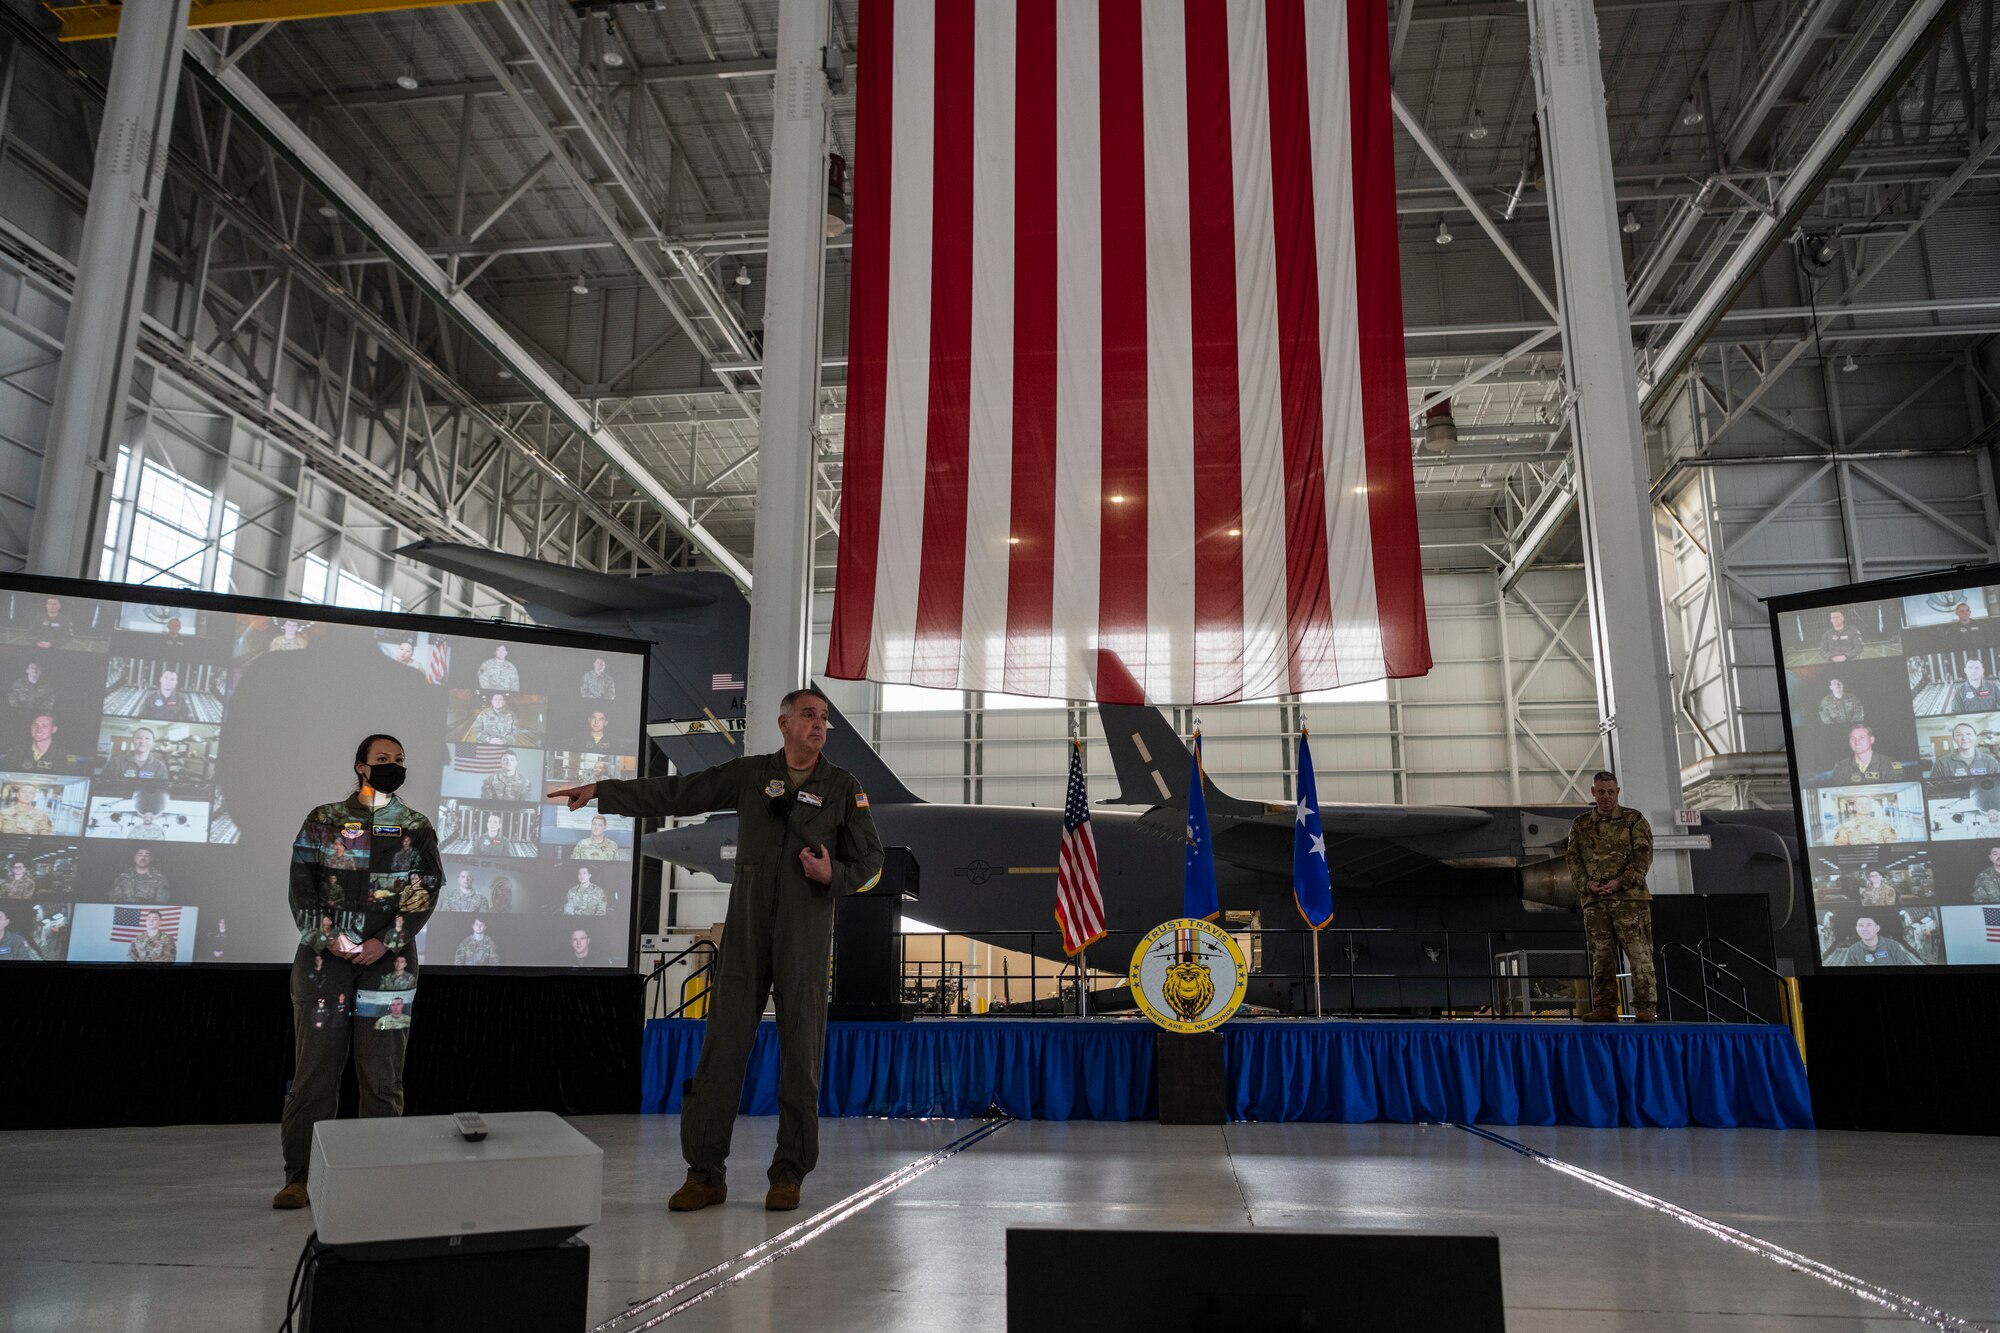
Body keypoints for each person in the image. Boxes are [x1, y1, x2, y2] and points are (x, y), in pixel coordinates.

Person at [548, 686, 883, 1214]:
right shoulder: (752, 774)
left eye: (824, 719)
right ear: (784, 723)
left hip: (805, 938)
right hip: (747, 933)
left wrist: (832, 873)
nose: (819, 725)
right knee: (721, 1055)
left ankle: (788, 1175)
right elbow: (681, 793)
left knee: (802, 1061)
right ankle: (704, 1174)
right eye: (809, 716)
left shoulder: (843, 787)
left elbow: (873, 865)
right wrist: (605, 794)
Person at [274, 734, 442, 1211]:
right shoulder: (324, 820)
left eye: (400, 760)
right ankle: (299, 1178)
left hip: (389, 968)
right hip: (324, 963)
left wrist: (381, 943)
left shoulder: (414, 826)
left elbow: (425, 890)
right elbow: (301, 883)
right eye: (383, 760)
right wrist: (329, 937)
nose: (393, 766)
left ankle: (378, 1177)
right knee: (314, 1075)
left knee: (382, 1077)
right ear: (361, 767)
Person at [1563, 770, 1656, 1023]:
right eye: (1601, 792)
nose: (1606, 797)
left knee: (1638, 954)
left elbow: (1643, 857)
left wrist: (1620, 883)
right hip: (1596, 903)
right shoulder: (1581, 825)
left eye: (1611, 792)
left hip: (1630, 901)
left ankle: (1645, 1008)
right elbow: (1573, 859)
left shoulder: (1633, 820)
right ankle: (1605, 1007)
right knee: (1601, 957)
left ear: (1617, 792)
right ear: (1593, 793)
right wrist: (1587, 885)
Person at [1828, 724, 1914, 784]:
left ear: (1871, 740)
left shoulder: (1890, 764)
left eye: (1861, 737)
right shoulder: (1841, 767)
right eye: (1853, 738)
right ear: (1849, 742)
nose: (1857, 742)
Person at [1829, 913, 1923, 966]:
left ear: (1877, 928)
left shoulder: (1893, 946)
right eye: (1860, 926)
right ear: (1857, 929)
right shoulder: (1853, 950)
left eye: (1869, 925)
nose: (1864, 929)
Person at [9, 713, 78, 772]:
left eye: (44, 726)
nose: (38, 729)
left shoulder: (64, 755)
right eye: (35, 725)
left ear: (53, 729)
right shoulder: (16, 752)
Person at [1934, 723, 2000, 777]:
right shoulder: (1941, 764)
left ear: (1975, 737)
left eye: (1968, 734)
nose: (1964, 738)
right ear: (1954, 739)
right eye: (1959, 735)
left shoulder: (1991, 762)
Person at [1831, 796, 1898, 845]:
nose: (1863, 806)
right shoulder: (1845, 827)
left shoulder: (1884, 825)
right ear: (1855, 807)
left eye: (1866, 804)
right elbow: (1840, 847)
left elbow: (1892, 845)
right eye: (1860, 804)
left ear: (1870, 807)